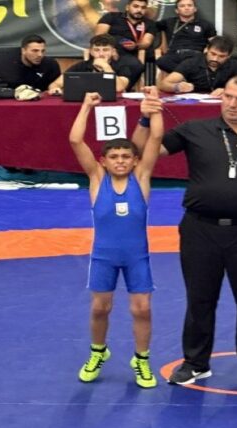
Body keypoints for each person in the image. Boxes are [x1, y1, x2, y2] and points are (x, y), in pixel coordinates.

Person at [134, 74, 237, 388]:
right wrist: (145, 118)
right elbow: (141, 152)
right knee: (199, 299)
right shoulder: (195, 130)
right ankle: (195, 363)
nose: (232, 104)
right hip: (200, 229)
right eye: (228, 97)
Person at [69, 87, 164, 388]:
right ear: (104, 161)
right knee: (100, 308)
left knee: (142, 309)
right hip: (104, 257)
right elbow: (75, 140)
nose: (120, 161)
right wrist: (86, 105)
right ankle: (98, 352)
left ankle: (141, 360)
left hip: (137, 257)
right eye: (114, 157)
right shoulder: (97, 180)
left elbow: (156, 137)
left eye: (126, 156)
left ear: (135, 160)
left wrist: (154, 104)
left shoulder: (141, 178)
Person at [95, 0, 157, 90]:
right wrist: (111, 50)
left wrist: (135, 46)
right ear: (127, 7)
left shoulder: (149, 23)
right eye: (136, 6)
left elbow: (146, 42)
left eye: (143, 8)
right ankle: (104, 89)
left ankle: (122, 89)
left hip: (130, 53)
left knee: (136, 65)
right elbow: (99, 36)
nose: (139, 10)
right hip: (107, 51)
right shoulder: (111, 16)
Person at [157, 36, 237, 97]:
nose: (215, 59)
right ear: (206, 50)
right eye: (213, 54)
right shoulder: (192, 62)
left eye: (221, 56)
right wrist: (177, 87)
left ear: (229, 56)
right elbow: (163, 84)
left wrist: (227, 91)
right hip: (194, 103)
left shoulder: (235, 65)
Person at [48, 34, 131, 94]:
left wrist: (106, 66)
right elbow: (55, 84)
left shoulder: (122, 66)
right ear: (91, 52)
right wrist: (55, 89)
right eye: (97, 50)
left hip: (112, 104)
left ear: (113, 51)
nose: (101, 54)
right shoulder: (81, 66)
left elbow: (119, 88)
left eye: (105, 50)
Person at [155, 0, 216, 74]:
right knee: (161, 61)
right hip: (175, 55)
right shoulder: (168, 22)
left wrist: (207, 50)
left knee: (198, 63)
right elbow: (150, 26)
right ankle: (189, 76)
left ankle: (181, 76)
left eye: (189, 5)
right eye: (182, 6)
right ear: (177, 10)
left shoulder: (205, 25)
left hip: (195, 55)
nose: (186, 8)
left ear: (195, 9)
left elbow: (215, 42)